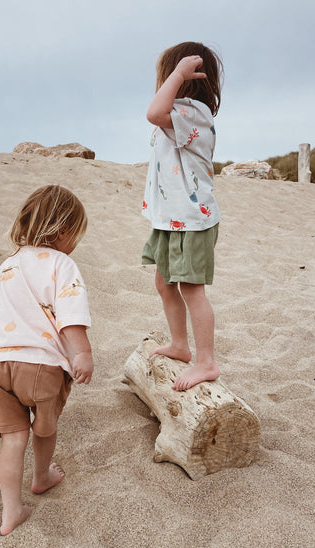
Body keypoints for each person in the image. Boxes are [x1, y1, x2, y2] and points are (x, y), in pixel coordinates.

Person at [0, 185, 93, 536]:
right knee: (44, 427)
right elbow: (70, 316)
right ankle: (41, 477)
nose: (75, 244)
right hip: (39, 365)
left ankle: (12, 511)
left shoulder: (8, 264)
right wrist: (83, 354)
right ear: (63, 231)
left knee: (13, 438)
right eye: (76, 235)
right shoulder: (62, 263)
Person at [141, 42, 223, 391]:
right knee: (164, 283)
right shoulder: (177, 112)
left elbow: (153, 112)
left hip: (192, 219)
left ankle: (206, 362)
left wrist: (176, 74)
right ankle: (180, 344)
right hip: (170, 219)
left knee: (192, 289)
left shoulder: (193, 112)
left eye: (169, 75)